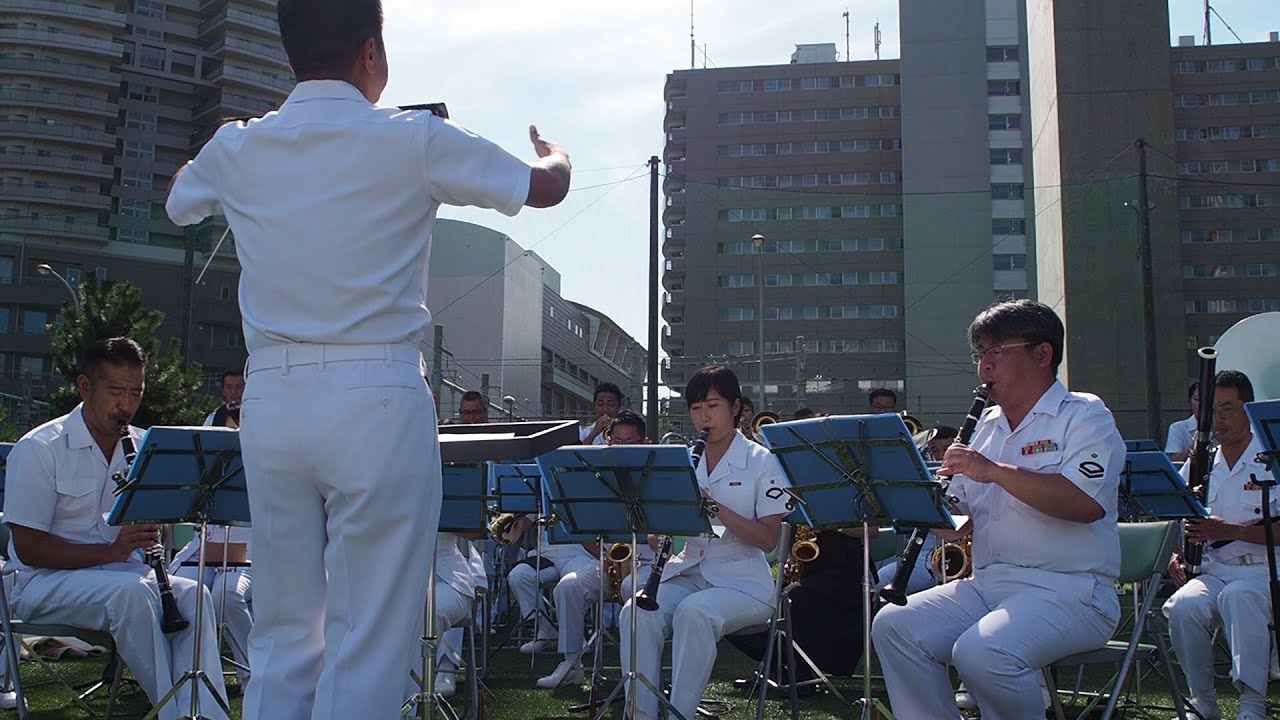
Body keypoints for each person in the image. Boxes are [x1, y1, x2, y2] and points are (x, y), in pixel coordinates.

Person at [163, 0, 572, 716]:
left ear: (289, 60)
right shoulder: (415, 137)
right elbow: (547, 188)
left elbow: (178, 204)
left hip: (275, 399)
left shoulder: (238, 145)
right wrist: (555, 152)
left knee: (284, 633)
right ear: (372, 53)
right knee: (371, 638)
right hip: (376, 391)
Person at [871, 299, 1125, 720]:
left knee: (982, 653)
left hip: (1072, 590)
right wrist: (917, 500)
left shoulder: (1084, 415)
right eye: (980, 355)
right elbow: (960, 522)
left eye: (996, 352)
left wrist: (991, 470)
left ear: (1043, 354)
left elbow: (1085, 504)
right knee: (895, 626)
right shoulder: (986, 426)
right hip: (990, 584)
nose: (984, 366)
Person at [2, 337, 229, 720]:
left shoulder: (147, 448)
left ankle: (205, 712)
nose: (126, 404)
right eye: (116, 391)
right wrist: (110, 552)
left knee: (194, 596)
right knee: (131, 596)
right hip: (41, 582)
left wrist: (162, 524)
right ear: (85, 387)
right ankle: (174, 714)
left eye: (135, 392)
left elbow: (160, 537)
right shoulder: (39, 448)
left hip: (126, 576)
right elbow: (28, 548)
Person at [619, 365, 791, 720]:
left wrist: (714, 507)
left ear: (736, 407)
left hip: (744, 582)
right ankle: (640, 713)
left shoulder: (764, 462)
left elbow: (768, 539)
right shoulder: (682, 461)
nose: (703, 417)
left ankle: (681, 714)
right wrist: (657, 532)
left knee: (694, 613)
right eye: (696, 409)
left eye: (712, 406)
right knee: (636, 611)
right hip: (690, 571)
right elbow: (659, 534)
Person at [1163, 370, 1276, 720]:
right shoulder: (1202, 461)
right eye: (1211, 411)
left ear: (1249, 410)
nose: (1217, 420)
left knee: (1239, 597)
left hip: (1265, 571)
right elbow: (1173, 514)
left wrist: (1231, 530)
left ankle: (1252, 703)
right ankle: (1204, 702)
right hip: (1215, 569)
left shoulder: (1272, 457)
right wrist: (1172, 554)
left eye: (1227, 409)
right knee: (1182, 606)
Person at [1165, 382, 1199, 462]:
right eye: (1197, 399)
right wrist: (1195, 446)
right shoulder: (1177, 428)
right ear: (1190, 402)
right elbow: (1173, 461)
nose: (1203, 404)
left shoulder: (1221, 427)